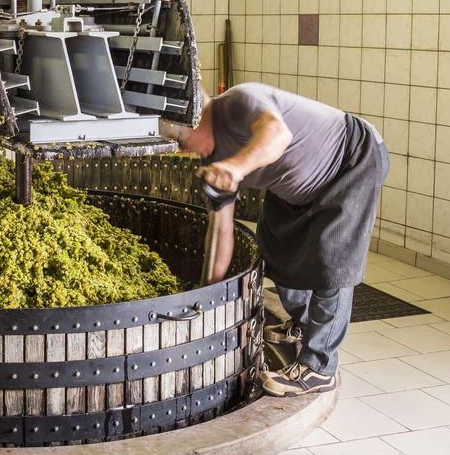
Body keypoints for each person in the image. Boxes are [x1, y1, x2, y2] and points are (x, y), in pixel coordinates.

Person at [161, 83, 389, 397]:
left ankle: (319, 367)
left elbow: (278, 135)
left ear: (197, 120)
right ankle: (305, 323)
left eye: (181, 139)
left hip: (352, 159)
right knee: (274, 248)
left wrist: (236, 167)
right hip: (298, 188)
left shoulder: (239, 102)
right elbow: (220, 232)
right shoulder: (211, 161)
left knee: (331, 262)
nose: (181, 150)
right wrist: (207, 299)